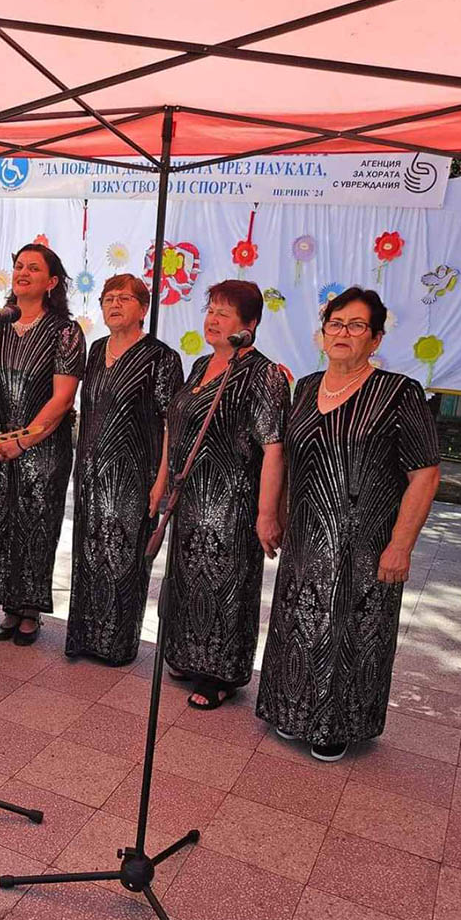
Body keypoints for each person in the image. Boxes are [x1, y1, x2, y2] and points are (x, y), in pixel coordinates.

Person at [256, 287, 440, 761]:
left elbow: (425, 474)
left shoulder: (399, 393)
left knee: (351, 634)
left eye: (357, 326)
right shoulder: (305, 387)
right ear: (323, 333)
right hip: (305, 539)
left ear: (375, 339)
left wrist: (401, 545)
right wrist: (273, 513)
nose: (343, 333)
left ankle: (336, 727)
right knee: (299, 624)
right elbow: (288, 458)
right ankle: (291, 710)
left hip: (364, 546)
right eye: (335, 324)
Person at [164, 280, 289, 709]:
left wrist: (267, 513)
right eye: (211, 310)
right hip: (189, 499)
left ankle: (220, 674)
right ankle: (187, 657)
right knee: (188, 580)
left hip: (232, 502)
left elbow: (274, 447)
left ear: (249, 324)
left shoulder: (264, 374)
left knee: (225, 587)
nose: (213, 319)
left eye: (224, 313)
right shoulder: (201, 365)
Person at [0, 243, 86, 645]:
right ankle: (9, 606)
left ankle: (30, 609)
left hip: (43, 447)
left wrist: (22, 441)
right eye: (19, 266)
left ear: (51, 282)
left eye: (33, 268)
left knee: (36, 523)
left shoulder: (66, 332)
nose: (23, 273)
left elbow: (62, 399)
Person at [66, 274, 183, 665]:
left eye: (124, 298)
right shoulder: (96, 349)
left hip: (135, 477)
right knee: (88, 555)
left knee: (123, 560)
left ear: (143, 308)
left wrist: (161, 483)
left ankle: (116, 645)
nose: (114, 305)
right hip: (90, 474)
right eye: (108, 299)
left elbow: (170, 425)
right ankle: (85, 638)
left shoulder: (162, 358)